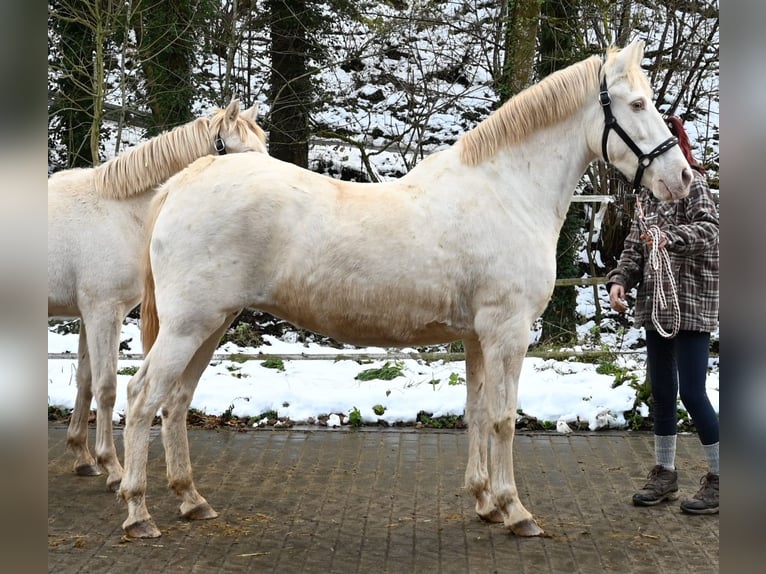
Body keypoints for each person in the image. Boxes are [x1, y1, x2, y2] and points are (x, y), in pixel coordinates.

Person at [606, 115, 719, 514]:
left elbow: (711, 231)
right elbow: (636, 248)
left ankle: (722, 477)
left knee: (691, 391)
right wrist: (620, 279)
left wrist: (670, 239)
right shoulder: (648, 199)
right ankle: (665, 472)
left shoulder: (697, 187)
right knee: (663, 393)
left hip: (691, 304)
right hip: (657, 307)